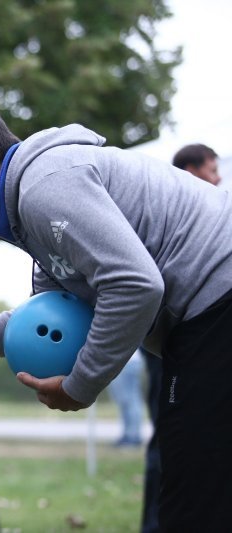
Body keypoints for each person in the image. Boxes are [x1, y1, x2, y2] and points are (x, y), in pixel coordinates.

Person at [0, 102, 232, 532]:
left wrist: (81, 385)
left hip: (216, 302)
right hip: (210, 308)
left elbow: (136, 285)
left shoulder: (44, 188)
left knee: (193, 499)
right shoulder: (36, 210)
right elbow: (28, 327)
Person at [137, 142, 225, 532]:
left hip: (202, 335)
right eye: (211, 169)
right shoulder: (170, 220)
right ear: (189, 171)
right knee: (171, 441)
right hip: (172, 342)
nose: (218, 178)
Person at [107, 349, 144, 447]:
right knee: (128, 401)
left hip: (125, 362)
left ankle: (132, 436)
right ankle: (129, 434)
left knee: (129, 401)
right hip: (127, 361)